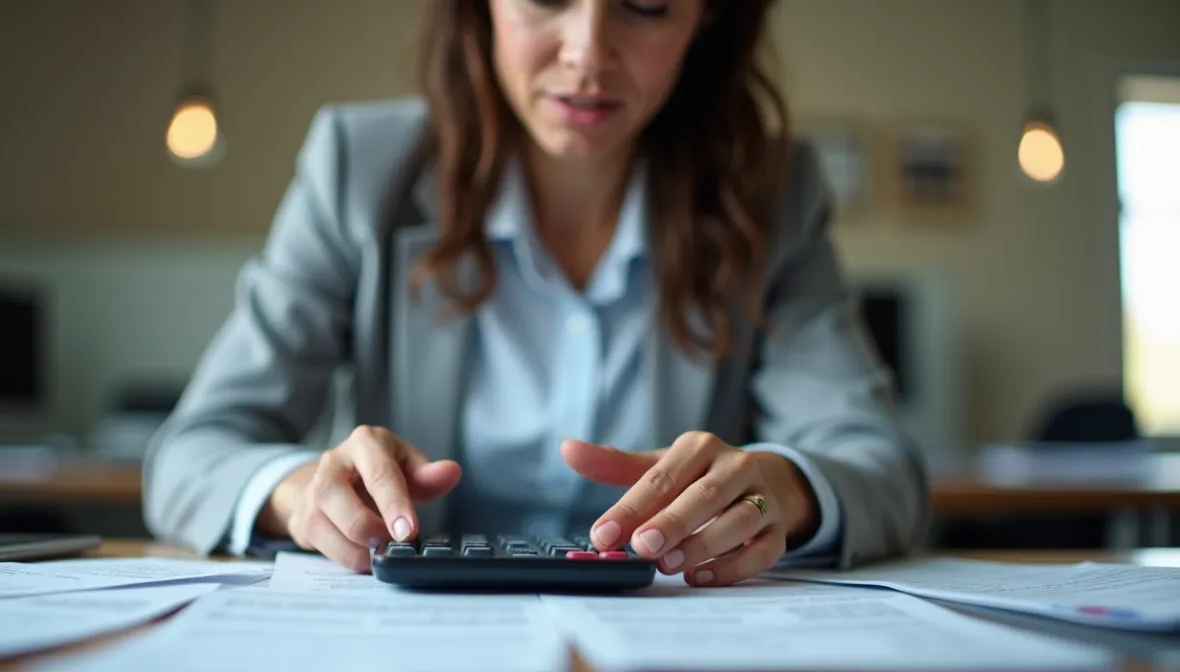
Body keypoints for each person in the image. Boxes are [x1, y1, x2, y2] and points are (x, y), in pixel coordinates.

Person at [143, 0, 930, 586]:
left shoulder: (772, 188)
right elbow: (192, 452)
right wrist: (298, 494)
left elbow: (882, 467)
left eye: (647, 4)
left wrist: (780, 489)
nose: (589, 53)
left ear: (707, 19)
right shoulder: (361, 167)